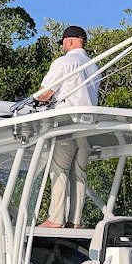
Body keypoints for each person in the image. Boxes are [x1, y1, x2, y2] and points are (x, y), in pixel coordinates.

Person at [36, 25, 100, 227]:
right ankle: (75, 221)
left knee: (59, 170)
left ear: (70, 41)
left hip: (68, 123)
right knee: (79, 173)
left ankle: (55, 219)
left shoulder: (65, 62)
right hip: (88, 126)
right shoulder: (94, 66)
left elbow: (44, 94)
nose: (62, 46)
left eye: (63, 42)